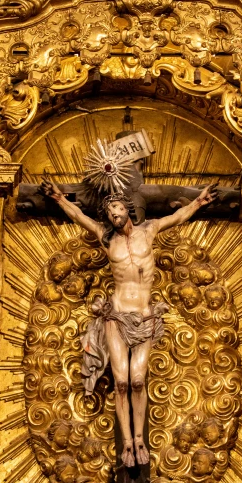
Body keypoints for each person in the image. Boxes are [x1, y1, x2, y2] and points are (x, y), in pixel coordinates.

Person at [43, 179, 217, 468]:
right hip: (117, 314)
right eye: (110, 209)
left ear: (127, 209)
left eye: (118, 207)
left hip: (145, 316)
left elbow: (176, 217)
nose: (114, 213)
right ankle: (128, 443)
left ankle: (140, 439)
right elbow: (79, 216)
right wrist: (60, 199)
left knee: (138, 380)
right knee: (121, 383)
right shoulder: (105, 237)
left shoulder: (148, 231)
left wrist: (198, 202)